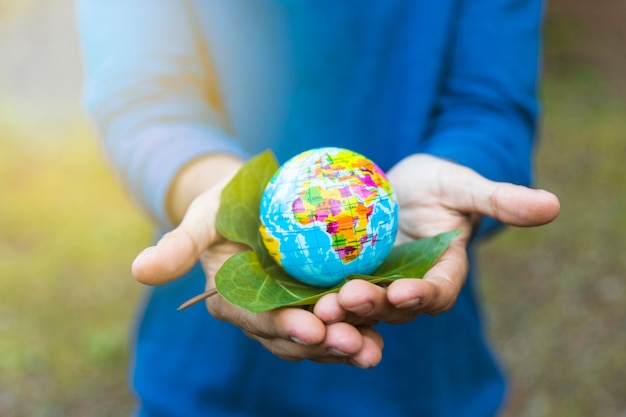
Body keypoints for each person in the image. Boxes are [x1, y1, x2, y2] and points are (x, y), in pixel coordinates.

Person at [76, 1, 560, 416]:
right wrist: (209, 183)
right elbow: (142, 99)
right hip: (203, 379)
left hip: (423, 381)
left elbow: (489, 102)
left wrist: (463, 167)